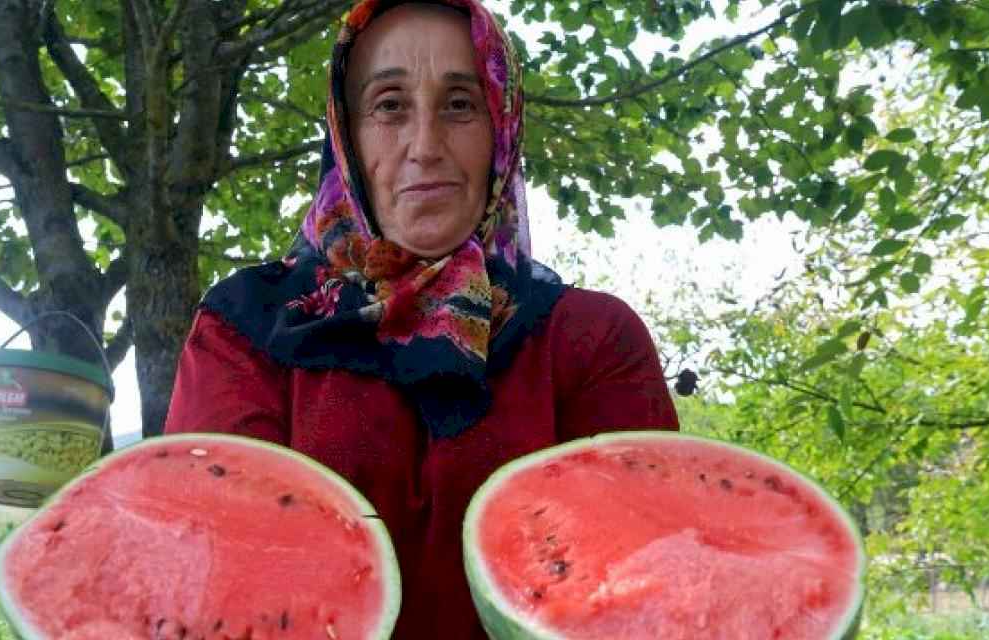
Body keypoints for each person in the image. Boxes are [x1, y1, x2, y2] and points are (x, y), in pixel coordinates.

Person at [164, 1, 678, 636]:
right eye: (388, 105)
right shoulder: (245, 328)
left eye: (461, 104)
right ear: (346, 134)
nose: (425, 146)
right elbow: (216, 579)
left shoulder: (590, 339)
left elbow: (641, 594)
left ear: (502, 128)